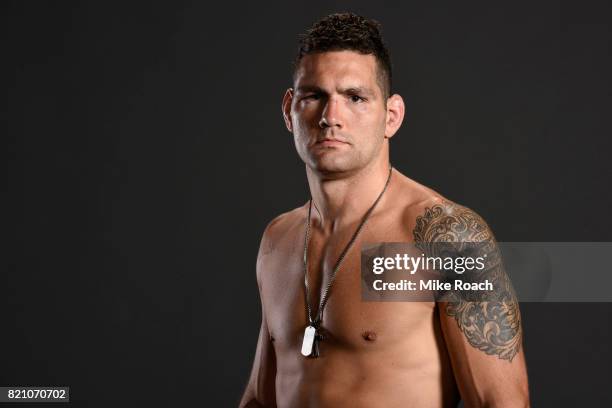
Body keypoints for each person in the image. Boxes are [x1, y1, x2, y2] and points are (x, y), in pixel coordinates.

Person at [240, 12, 529, 408]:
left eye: (355, 97)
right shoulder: (279, 239)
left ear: (391, 116)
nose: (330, 118)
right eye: (314, 96)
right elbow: (260, 397)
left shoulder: (444, 236)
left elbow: (502, 402)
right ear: (290, 110)